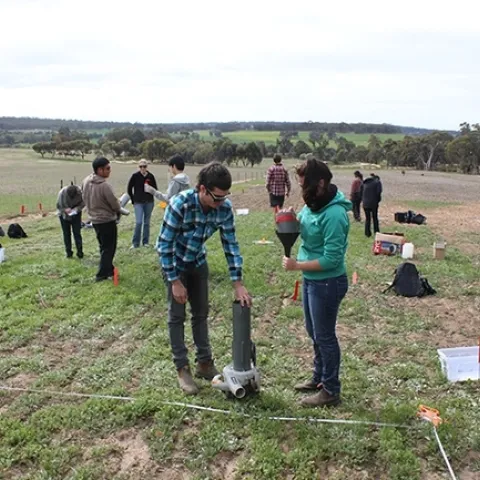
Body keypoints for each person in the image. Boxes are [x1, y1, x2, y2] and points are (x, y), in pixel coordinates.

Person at [157, 162, 252, 395]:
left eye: (224, 197)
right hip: (175, 264)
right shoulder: (180, 204)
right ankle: (182, 369)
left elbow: (230, 244)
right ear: (201, 188)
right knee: (176, 316)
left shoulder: (224, 208)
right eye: (216, 197)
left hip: (198, 262)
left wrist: (237, 283)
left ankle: (205, 363)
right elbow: (164, 245)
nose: (220, 202)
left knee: (201, 313)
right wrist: (175, 281)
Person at [282, 158, 351, 407]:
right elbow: (305, 225)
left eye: (306, 185)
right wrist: (292, 219)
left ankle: (331, 389)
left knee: (325, 337)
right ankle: (319, 378)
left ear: (321, 182)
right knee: (314, 333)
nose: (303, 191)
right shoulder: (313, 204)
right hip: (312, 281)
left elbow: (332, 259)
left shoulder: (334, 213)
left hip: (328, 283)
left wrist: (297, 265)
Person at [82, 157, 121, 282]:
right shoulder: (105, 186)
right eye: (107, 168)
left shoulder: (86, 181)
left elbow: (83, 196)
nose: (110, 171)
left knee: (103, 246)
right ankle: (101, 274)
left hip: (94, 220)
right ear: (100, 170)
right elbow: (115, 204)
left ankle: (109, 269)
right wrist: (118, 209)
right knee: (109, 248)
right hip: (107, 220)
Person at [127, 159, 158, 248]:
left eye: (144, 166)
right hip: (138, 202)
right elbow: (129, 188)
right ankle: (135, 243)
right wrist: (133, 199)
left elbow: (155, 189)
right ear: (138, 167)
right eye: (141, 166)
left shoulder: (151, 176)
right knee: (139, 222)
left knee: (147, 222)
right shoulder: (135, 176)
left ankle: (145, 242)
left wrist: (150, 189)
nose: (142, 168)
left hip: (149, 202)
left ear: (147, 167)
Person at [56, 184, 85, 259]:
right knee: (66, 234)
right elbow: (58, 206)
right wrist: (65, 210)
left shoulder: (80, 193)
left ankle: (80, 253)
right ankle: (69, 253)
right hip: (63, 215)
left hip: (76, 215)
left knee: (77, 233)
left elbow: (83, 203)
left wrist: (76, 209)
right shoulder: (62, 193)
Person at [362, 173, 383, 237]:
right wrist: (378, 200)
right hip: (373, 203)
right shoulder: (377, 182)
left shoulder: (365, 182)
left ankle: (367, 233)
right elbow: (379, 192)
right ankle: (376, 232)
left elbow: (361, 192)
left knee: (367, 218)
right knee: (375, 218)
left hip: (365, 203)